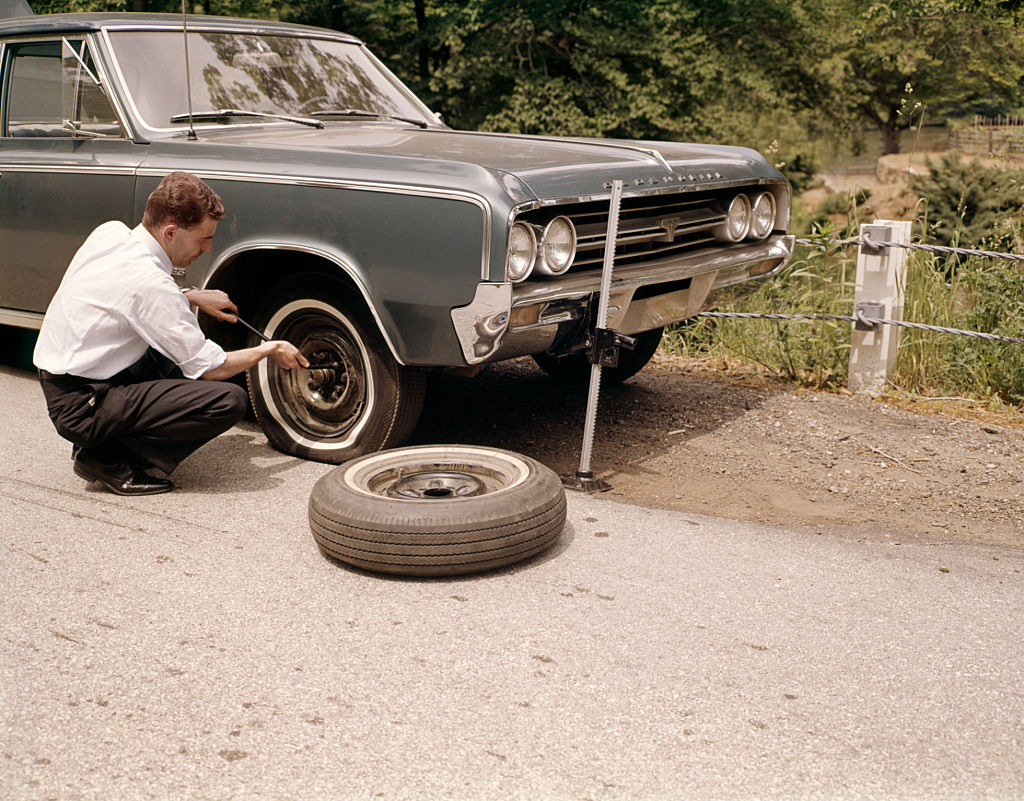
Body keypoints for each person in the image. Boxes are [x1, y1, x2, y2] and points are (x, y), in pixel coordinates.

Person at [33, 171, 307, 496]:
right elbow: (211, 368)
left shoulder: (112, 233)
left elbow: (126, 292)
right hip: (81, 404)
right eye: (203, 238)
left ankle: (107, 440)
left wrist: (189, 295)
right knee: (227, 400)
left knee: (172, 356)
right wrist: (270, 349)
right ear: (171, 231)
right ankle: (105, 458)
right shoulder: (150, 284)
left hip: (69, 379)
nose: (207, 248)